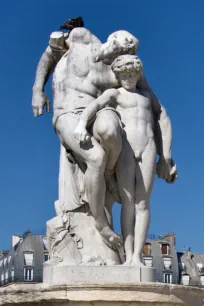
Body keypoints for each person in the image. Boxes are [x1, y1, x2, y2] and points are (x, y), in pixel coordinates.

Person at [32, 26, 176, 251]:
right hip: (69, 111)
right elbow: (50, 53)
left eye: (128, 54)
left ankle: (106, 178)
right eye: (119, 50)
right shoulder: (82, 39)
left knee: (110, 129)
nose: (122, 57)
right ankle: (101, 224)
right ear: (111, 42)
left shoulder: (122, 68)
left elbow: (154, 108)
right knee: (97, 158)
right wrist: (37, 90)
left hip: (97, 113)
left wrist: (165, 154)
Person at [74, 55, 176, 265]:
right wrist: (82, 124)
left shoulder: (147, 96)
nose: (128, 78)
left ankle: (137, 256)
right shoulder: (115, 93)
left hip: (148, 147)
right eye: (124, 74)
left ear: (138, 74)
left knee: (143, 203)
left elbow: (162, 118)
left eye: (132, 74)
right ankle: (128, 256)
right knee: (128, 203)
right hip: (127, 150)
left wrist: (165, 155)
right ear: (118, 75)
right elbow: (94, 106)